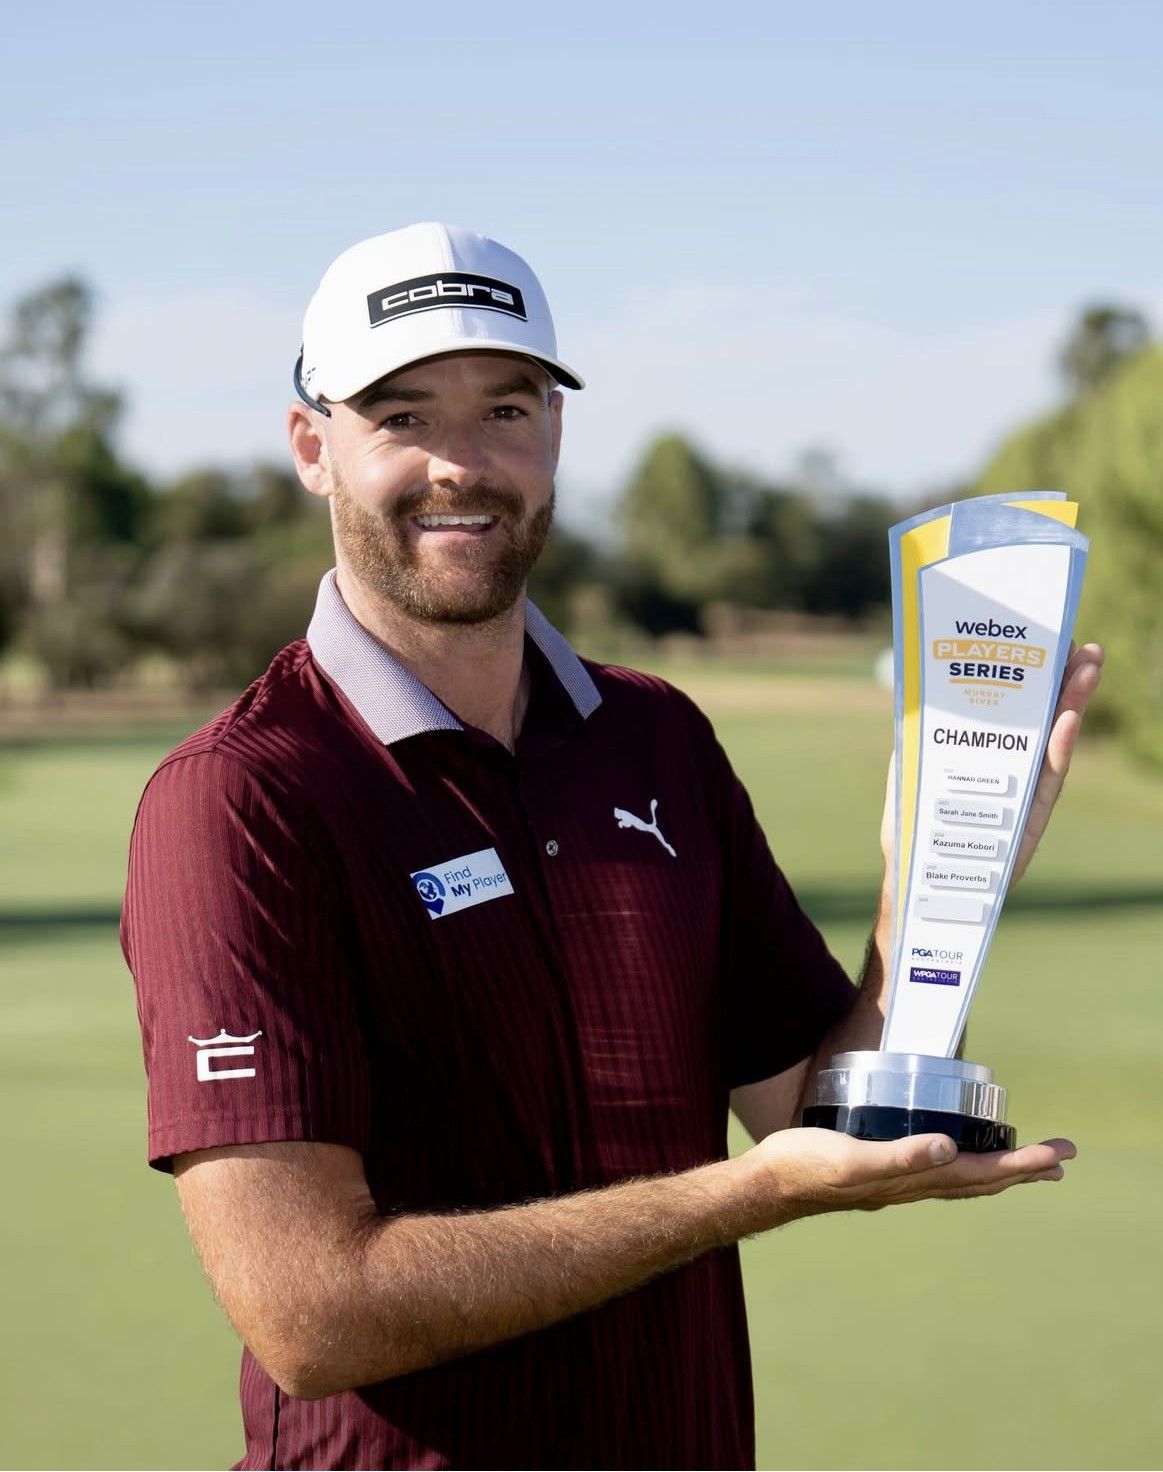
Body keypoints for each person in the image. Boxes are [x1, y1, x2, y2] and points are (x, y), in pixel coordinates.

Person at [122, 222, 1103, 1471]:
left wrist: (941, 885)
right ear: (314, 446)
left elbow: (813, 1110)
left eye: (507, 409)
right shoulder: (241, 800)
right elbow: (312, 1312)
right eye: (404, 417)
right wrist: (744, 1194)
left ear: (556, 435)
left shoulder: (656, 739)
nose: (461, 465)